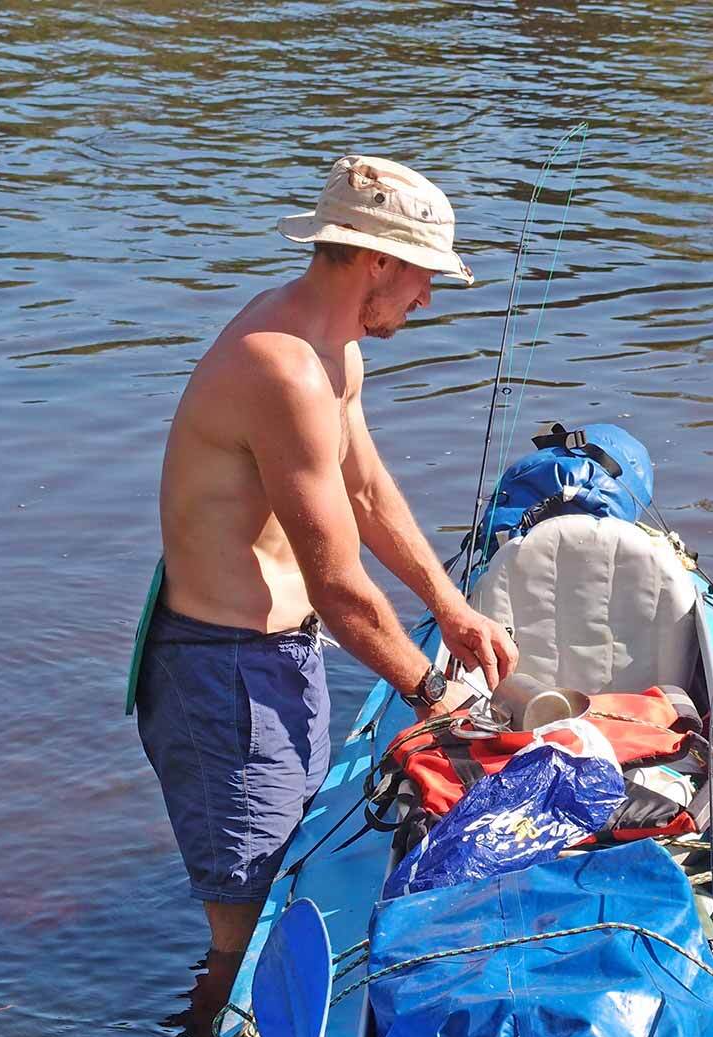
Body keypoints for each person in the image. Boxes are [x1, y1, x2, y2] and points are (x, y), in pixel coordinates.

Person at [134, 155, 518, 960]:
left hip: (279, 657)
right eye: (422, 277)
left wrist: (448, 604)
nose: (427, 298)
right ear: (377, 260)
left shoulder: (330, 345)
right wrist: (433, 692)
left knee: (291, 882)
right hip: (222, 674)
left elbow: (368, 491)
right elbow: (338, 586)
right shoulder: (283, 369)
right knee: (246, 936)